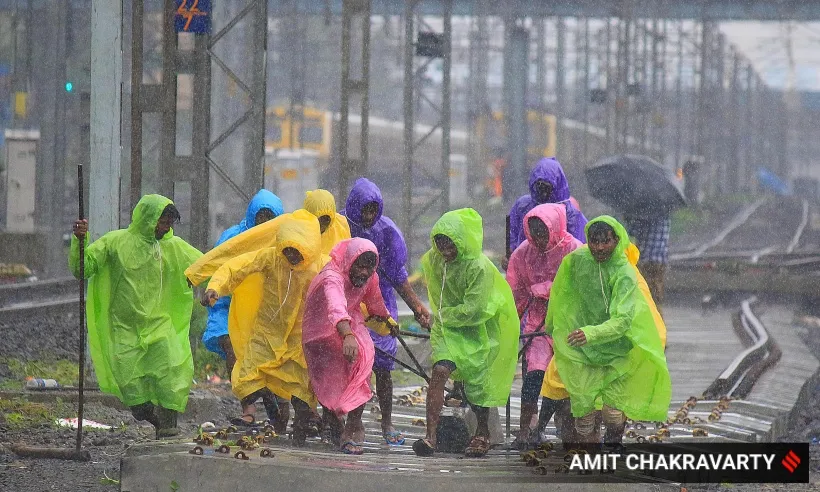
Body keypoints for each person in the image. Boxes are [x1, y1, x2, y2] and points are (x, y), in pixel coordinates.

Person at [69, 195, 202, 438]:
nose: (166, 228)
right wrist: (80, 240)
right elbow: (83, 268)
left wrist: (220, 287)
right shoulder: (115, 243)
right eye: (162, 222)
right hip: (125, 329)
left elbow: (205, 266)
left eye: (169, 224)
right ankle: (154, 418)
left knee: (172, 374)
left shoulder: (174, 247)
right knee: (131, 388)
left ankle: (168, 430)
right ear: (149, 219)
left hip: (162, 326)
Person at [544, 216, 671, 452]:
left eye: (606, 242)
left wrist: (591, 334)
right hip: (582, 348)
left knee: (612, 413)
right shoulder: (576, 261)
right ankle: (590, 453)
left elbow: (622, 320)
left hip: (616, 347)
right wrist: (554, 326)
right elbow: (562, 295)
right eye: (594, 241)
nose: (599, 248)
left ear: (616, 240)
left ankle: (613, 441)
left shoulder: (623, 272)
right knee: (583, 410)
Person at [197, 210, 325, 442]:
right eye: (287, 249)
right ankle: (268, 411)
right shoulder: (271, 258)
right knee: (247, 378)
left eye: (296, 251)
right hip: (266, 334)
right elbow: (237, 266)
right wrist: (216, 286)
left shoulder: (320, 267)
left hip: (298, 340)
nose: (291, 256)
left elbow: (341, 289)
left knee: (300, 390)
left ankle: (299, 431)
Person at [413, 208, 519, 458]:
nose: (444, 249)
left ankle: (482, 432)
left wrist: (442, 315)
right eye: (439, 243)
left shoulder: (479, 267)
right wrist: (439, 318)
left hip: (478, 328)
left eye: (449, 243)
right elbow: (437, 293)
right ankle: (431, 436)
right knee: (439, 372)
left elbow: (474, 310)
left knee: (476, 384)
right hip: (447, 328)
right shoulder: (434, 260)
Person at [342, 178, 431, 446]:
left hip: (379, 301)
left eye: (373, 210)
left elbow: (398, 275)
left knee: (383, 365)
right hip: (348, 301)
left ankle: (386, 421)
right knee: (353, 364)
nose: (369, 216)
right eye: (364, 210)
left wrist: (417, 307)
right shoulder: (340, 227)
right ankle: (346, 419)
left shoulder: (387, 232)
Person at [302, 238, 398, 455]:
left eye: (369, 267)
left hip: (350, 320)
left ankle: (354, 426)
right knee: (332, 376)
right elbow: (335, 305)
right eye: (360, 266)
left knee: (364, 358)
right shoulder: (332, 276)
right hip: (320, 328)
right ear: (350, 261)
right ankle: (332, 418)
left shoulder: (369, 278)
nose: (364, 273)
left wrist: (387, 322)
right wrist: (346, 335)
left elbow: (375, 304)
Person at [202, 189, 286, 428]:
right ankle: (248, 407)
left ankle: (274, 405)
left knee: (272, 360)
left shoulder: (283, 240)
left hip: (266, 311)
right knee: (234, 353)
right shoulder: (234, 238)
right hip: (228, 306)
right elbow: (218, 265)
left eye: (270, 217)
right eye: (261, 217)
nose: (265, 223)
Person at [505, 204, 582, 449]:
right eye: (534, 234)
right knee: (534, 375)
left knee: (559, 378)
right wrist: (509, 325)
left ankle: (552, 425)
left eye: (543, 234)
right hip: (537, 324)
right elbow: (514, 293)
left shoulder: (574, 252)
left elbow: (582, 290)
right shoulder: (523, 254)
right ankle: (526, 429)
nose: (538, 240)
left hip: (568, 323)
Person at [504, 157, 588, 269]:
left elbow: (579, 250)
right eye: (539, 185)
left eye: (547, 186)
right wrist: (511, 258)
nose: (543, 191)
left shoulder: (570, 213)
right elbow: (512, 237)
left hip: (559, 273)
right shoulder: (523, 205)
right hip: (526, 271)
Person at [623, 211, 671, 314]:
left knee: (644, 291)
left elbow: (633, 232)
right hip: (661, 260)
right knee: (657, 289)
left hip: (646, 259)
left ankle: (649, 315)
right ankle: (658, 317)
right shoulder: (665, 216)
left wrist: (628, 219)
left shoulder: (645, 215)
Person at [303, 189, 352, 255]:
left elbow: (348, 253)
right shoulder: (301, 230)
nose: (322, 224)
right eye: (318, 220)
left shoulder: (340, 224)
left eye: (326, 219)